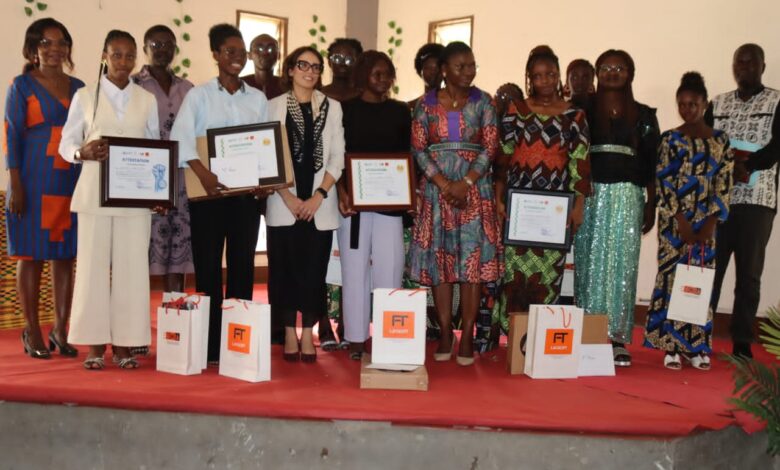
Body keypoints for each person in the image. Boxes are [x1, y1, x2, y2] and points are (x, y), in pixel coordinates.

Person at [59, 30, 159, 370]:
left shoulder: (146, 99)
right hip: (93, 196)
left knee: (133, 271)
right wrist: (81, 152)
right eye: (117, 54)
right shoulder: (85, 96)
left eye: (130, 56)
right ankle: (94, 345)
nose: (123, 62)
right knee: (92, 269)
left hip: (134, 198)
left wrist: (157, 193)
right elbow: (66, 142)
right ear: (105, 55)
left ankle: (125, 345)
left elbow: (154, 147)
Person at [169, 24, 268, 363]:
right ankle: (210, 345)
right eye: (229, 52)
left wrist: (266, 179)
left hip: (244, 198)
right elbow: (181, 139)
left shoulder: (257, 99)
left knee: (242, 268)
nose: (237, 58)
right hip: (208, 196)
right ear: (215, 54)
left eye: (242, 53)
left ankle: (237, 342)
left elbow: (266, 142)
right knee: (208, 269)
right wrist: (203, 173)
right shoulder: (199, 96)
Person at [408, 41, 501, 366]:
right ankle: (446, 332)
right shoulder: (425, 105)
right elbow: (419, 149)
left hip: (474, 193)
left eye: (472, 65)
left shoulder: (484, 102)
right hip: (437, 195)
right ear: (445, 69)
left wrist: (466, 182)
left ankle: (468, 335)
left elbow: (490, 147)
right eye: (461, 66)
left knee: (471, 268)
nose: (468, 71)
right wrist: (445, 184)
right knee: (442, 266)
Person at [492, 46, 590, 332]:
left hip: (555, 212)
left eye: (550, 74)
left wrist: (578, 206)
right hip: (519, 210)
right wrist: (499, 198)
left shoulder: (575, 116)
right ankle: (515, 337)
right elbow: (503, 158)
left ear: (559, 76)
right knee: (514, 275)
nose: (545, 81)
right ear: (529, 79)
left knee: (548, 275)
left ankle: (540, 336)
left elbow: (580, 164)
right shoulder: (516, 111)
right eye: (537, 76)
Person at [573, 49, 660, 367]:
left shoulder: (644, 115)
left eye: (619, 68)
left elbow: (651, 161)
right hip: (591, 194)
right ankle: (588, 335)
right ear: (597, 73)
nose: (612, 72)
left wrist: (651, 203)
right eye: (606, 67)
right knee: (589, 265)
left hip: (628, 195)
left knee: (622, 266)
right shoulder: (582, 110)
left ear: (630, 74)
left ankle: (618, 339)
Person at [5, 18, 84, 359]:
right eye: (46, 43)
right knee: (31, 254)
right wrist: (15, 184)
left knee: (65, 255)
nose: (55, 49)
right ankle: (32, 329)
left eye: (61, 42)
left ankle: (60, 329)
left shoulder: (80, 87)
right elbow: (11, 135)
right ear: (32, 49)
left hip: (70, 178)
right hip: (32, 179)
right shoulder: (21, 85)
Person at [644, 72, 734, 370]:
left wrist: (710, 222)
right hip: (674, 224)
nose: (687, 109)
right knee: (672, 280)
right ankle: (670, 346)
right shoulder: (670, 139)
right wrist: (681, 221)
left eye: (693, 103)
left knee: (698, 283)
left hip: (707, 223)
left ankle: (696, 346)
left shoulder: (721, 140)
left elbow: (724, 183)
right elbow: (664, 181)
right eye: (682, 104)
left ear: (705, 103)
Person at [265, 46, 345, 363]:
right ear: (290, 70)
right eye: (303, 65)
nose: (310, 71)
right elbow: (265, 155)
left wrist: (318, 196)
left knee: (313, 272)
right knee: (283, 271)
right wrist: (287, 197)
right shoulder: (271, 106)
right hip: (282, 202)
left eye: (316, 66)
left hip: (318, 205)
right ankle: (288, 332)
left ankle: (309, 331)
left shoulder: (332, 107)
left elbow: (337, 157)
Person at [336, 51, 411, 360]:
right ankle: (355, 338)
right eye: (377, 74)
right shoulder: (345, 110)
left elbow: (407, 155)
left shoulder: (400, 111)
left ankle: (388, 335)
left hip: (390, 205)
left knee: (390, 270)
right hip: (353, 206)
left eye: (388, 74)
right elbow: (337, 155)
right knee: (353, 272)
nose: (383, 79)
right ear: (362, 75)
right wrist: (341, 191)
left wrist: (410, 194)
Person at [707, 44, 780, 359]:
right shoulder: (718, 103)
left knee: (749, 275)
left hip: (757, 200)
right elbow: (706, 142)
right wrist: (727, 167)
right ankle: (700, 332)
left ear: (762, 66)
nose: (744, 68)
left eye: (751, 63)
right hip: (719, 201)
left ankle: (741, 340)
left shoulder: (776, 101)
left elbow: (777, 146)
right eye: (739, 62)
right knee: (710, 269)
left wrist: (746, 166)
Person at [132, 26, 194, 292]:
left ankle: (175, 307)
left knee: (179, 247)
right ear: (144, 48)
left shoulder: (188, 88)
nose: (162, 50)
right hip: (145, 177)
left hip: (181, 177)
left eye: (168, 44)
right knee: (141, 246)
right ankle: (136, 310)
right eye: (155, 45)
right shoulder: (132, 85)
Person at [241, 33, 284, 100]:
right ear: (249, 55)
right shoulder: (240, 85)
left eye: (271, 49)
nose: (265, 53)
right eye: (259, 49)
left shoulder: (287, 86)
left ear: (278, 55)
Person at [321, 38, 362, 102]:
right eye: (337, 59)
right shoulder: (317, 95)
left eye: (349, 60)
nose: (342, 64)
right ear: (329, 62)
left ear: (357, 63)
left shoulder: (364, 97)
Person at [408, 43, 445, 111]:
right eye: (428, 68)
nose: (433, 72)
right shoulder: (410, 107)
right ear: (420, 71)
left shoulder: (453, 106)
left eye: (437, 68)